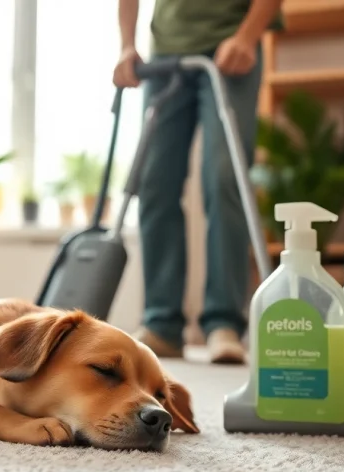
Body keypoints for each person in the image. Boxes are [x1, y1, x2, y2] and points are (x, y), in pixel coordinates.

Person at [114, 0, 283, 364]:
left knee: (226, 177)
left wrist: (248, 36)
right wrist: (127, 44)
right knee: (154, 182)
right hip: (165, 51)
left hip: (230, 46)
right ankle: (161, 324)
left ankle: (224, 323)